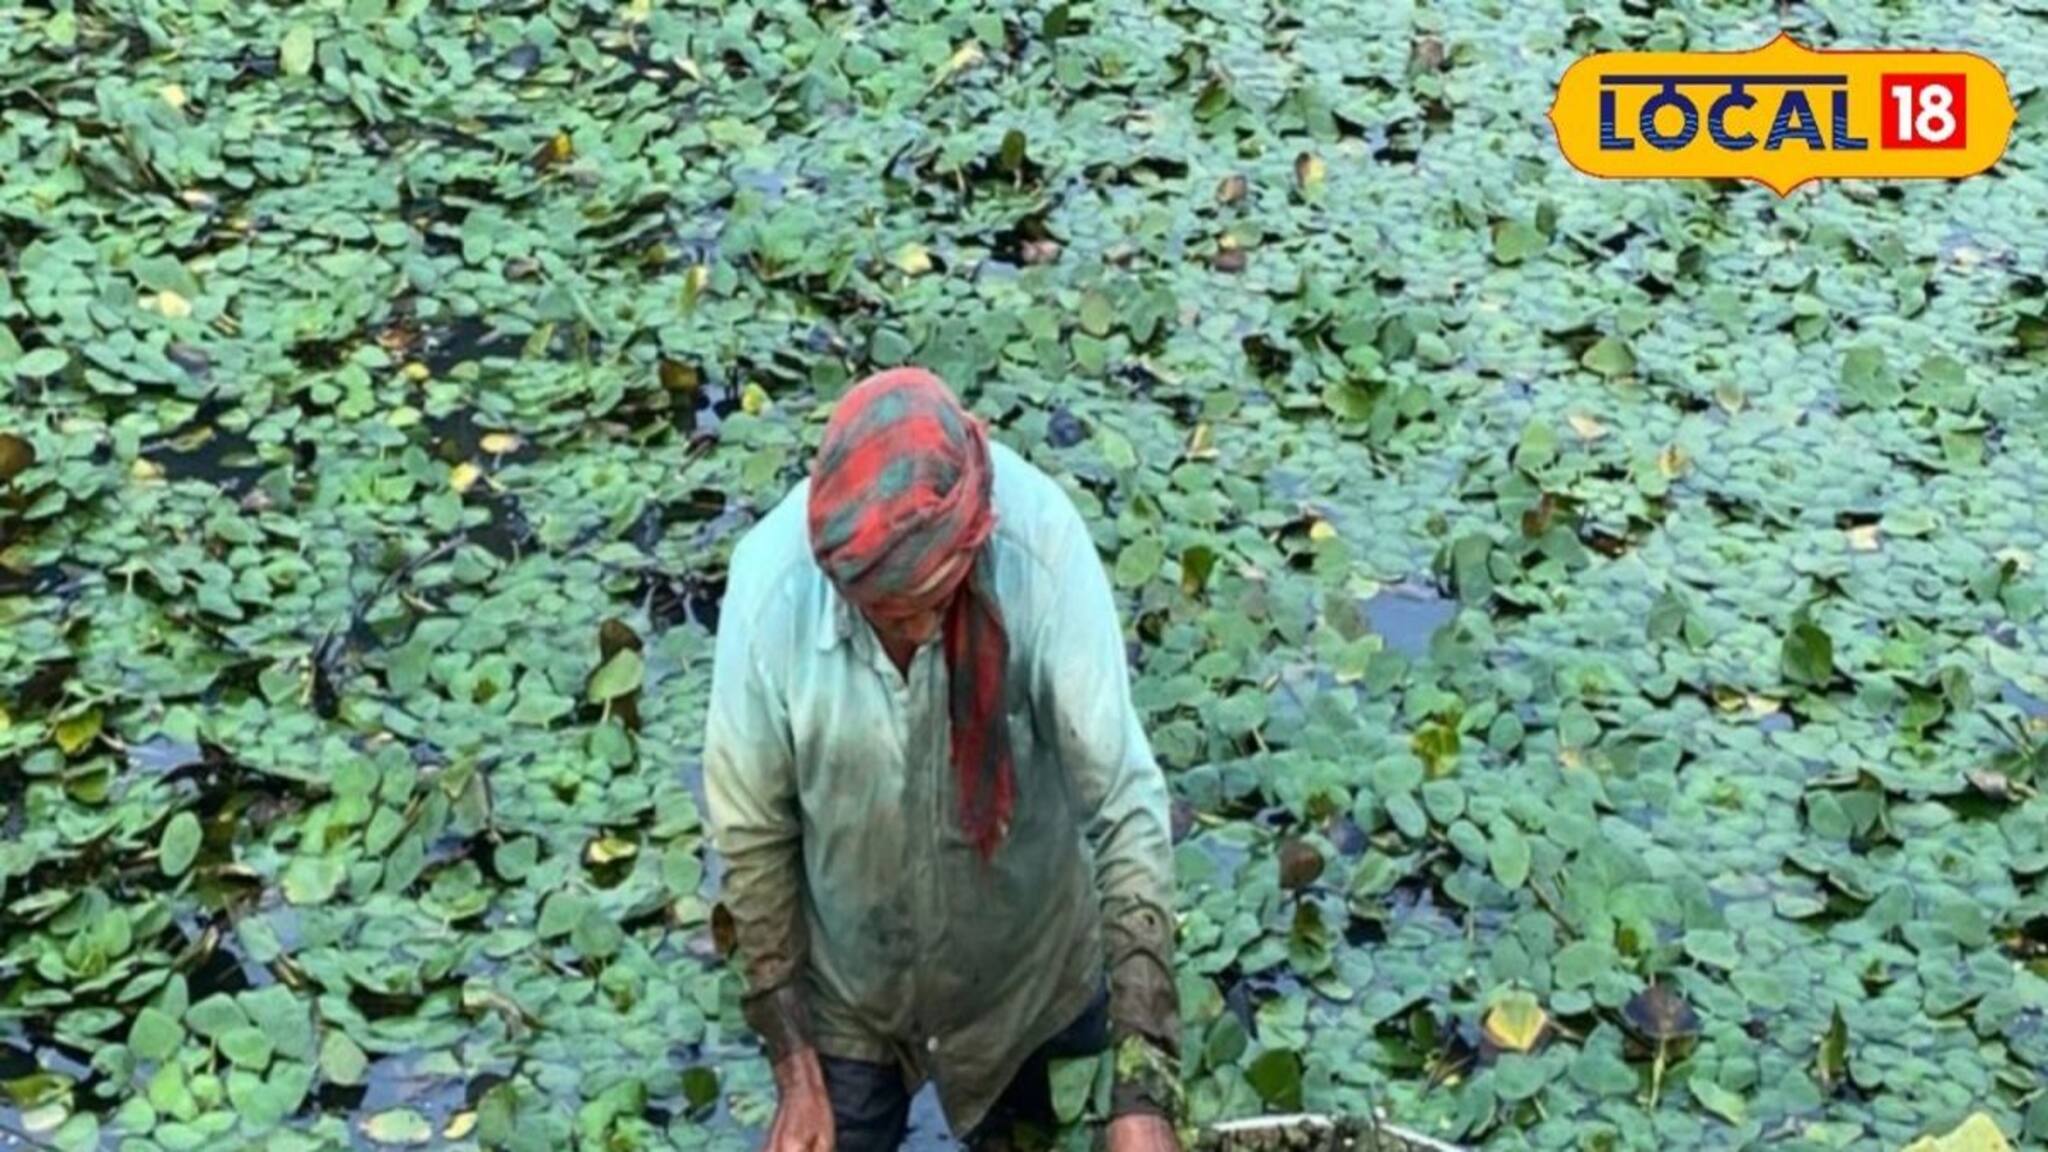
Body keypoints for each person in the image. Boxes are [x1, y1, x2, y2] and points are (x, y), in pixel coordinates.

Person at [702, 367, 1182, 1152]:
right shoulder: (770, 592)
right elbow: (752, 838)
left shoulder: (1042, 552)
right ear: (845, 589)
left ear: (970, 546)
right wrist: (795, 1069)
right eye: (891, 617)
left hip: (1029, 981)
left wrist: (1142, 1092)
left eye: (935, 603)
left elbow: (1126, 811)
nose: (920, 634)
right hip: (853, 988)